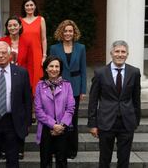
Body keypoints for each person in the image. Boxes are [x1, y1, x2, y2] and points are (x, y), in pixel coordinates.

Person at [88, 40, 141, 168]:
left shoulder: (134, 72)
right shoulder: (100, 73)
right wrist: (93, 124)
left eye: (123, 52)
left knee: (124, 160)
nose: (120, 54)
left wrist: (136, 120)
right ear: (111, 53)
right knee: (104, 159)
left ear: (127, 54)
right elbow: (93, 100)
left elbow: (136, 99)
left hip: (127, 122)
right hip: (106, 122)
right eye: (117, 51)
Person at [49, 20, 87, 159]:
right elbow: (51, 68)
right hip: (58, 87)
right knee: (57, 118)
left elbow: (83, 69)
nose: (68, 33)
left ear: (74, 32)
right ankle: (57, 149)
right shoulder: (54, 48)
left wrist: (83, 90)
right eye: (65, 31)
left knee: (72, 120)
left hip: (75, 88)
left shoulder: (81, 48)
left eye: (70, 31)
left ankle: (71, 150)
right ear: (61, 32)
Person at [0, 15, 32, 160]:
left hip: (21, 80)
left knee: (20, 114)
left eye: (15, 25)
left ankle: (19, 148)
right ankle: (3, 149)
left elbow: (30, 63)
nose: (12, 28)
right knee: (4, 116)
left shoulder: (27, 42)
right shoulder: (1, 41)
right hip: (4, 79)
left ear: (20, 26)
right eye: (10, 25)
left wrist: (30, 82)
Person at [34, 56, 75, 168]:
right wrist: (53, 125)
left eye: (57, 66)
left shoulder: (67, 85)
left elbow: (70, 108)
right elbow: (38, 110)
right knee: (45, 162)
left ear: (60, 69)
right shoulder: (39, 86)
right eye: (51, 66)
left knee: (62, 161)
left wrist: (61, 125)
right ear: (46, 69)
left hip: (63, 128)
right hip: (46, 129)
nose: (54, 69)